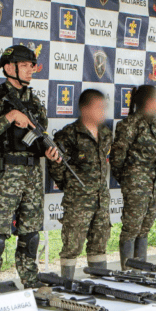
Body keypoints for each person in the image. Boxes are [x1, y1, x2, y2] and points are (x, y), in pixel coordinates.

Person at [0, 44, 62, 292]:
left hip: (32, 173)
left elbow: (40, 136)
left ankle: (30, 280)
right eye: (25, 65)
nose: (31, 70)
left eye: (32, 65)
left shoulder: (33, 100)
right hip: (6, 173)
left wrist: (48, 151)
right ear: (9, 68)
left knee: (31, 233)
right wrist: (9, 117)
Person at [50, 89, 113, 278]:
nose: (103, 111)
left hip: (101, 200)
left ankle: (99, 283)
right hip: (78, 203)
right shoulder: (68, 135)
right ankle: (67, 285)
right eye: (99, 107)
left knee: (99, 245)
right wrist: (73, 189)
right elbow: (57, 168)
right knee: (71, 247)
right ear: (85, 109)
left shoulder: (105, 133)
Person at [110, 85, 156, 268]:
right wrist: (129, 181)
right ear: (149, 102)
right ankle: (127, 271)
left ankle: (140, 270)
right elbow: (117, 159)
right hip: (136, 187)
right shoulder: (129, 125)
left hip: (153, 186)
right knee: (131, 229)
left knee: (145, 228)